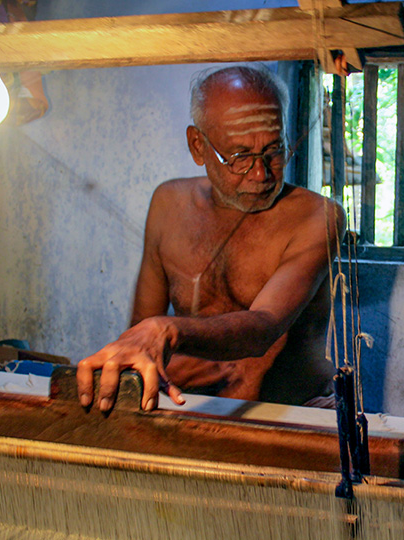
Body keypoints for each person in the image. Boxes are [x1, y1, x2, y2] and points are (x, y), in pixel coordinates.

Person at [77, 65, 344, 412]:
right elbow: (140, 332)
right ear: (197, 145)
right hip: (191, 409)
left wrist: (169, 331)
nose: (261, 173)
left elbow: (264, 327)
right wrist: (146, 353)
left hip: (291, 415)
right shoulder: (168, 205)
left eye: (274, 151)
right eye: (240, 157)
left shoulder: (318, 216)